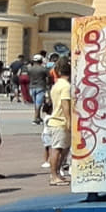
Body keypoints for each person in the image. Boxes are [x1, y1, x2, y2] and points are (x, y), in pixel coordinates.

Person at [44, 57, 72, 186]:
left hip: (56, 121)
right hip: (60, 121)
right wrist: (69, 121)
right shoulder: (66, 86)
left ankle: (57, 173)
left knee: (63, 149)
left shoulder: (57, 85)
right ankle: (54, 175)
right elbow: (65, 104)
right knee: (58, 149)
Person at [27, 54, 49, 124]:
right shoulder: (43, 69)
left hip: (31, 87)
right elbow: (48, 78)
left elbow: (28, 77)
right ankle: (35, 118)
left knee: (36, 104)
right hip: (41, 87)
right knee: (38, 104)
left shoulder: (30, 69)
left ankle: (38, 117)